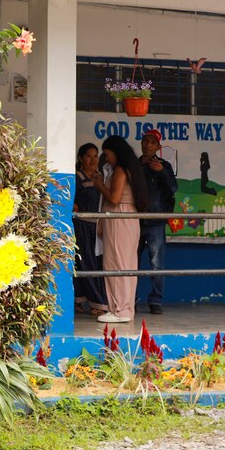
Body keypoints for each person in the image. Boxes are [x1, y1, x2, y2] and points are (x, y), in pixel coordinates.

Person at [93, 135, 150, 323]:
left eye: (107, 154)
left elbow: (115, 198)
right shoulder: (130, 168)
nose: (106, 157)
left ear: (116, 152)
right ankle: (122, 308)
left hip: (119, 218)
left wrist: (100, 185)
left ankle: (120, 310)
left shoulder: (120, 170)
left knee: (116, 263)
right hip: (125, 219)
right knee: (124, 263)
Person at [139, 129, 178, 315]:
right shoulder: (135, 165)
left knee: (156, 263)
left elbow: (173, 188)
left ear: (158, 147)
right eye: (145, 141)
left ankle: (155, 301)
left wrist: (162, 172)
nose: (148, 145)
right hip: (133, 220)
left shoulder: (164, 165)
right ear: (141, 143)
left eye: (152, 142)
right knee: (130, 262)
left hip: (155, 222)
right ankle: (129, 299)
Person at [72, 143, 108, 316]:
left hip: (99, 226)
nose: (93, 160)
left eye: (96, 156)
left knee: (96, 263)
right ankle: (97, 303)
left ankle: (85, 299)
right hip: (82, 226)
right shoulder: (77, 178)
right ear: (80, 158)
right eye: (88, 156)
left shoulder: (102, 177)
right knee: (85, 263)